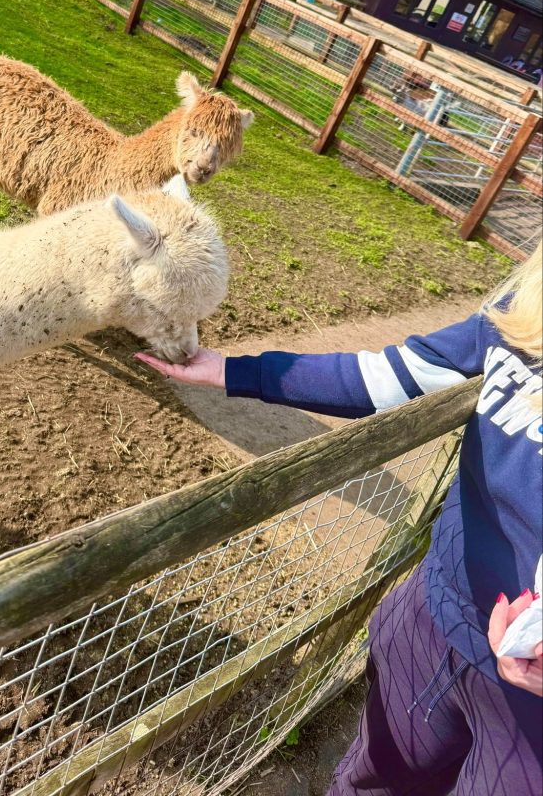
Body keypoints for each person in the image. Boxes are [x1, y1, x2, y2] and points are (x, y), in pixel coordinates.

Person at [137, 241, 543, 795]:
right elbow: (389, 377)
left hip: (532, 709)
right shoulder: (525, 317)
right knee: (372, 778)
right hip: (436, 618)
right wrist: (235, 372)